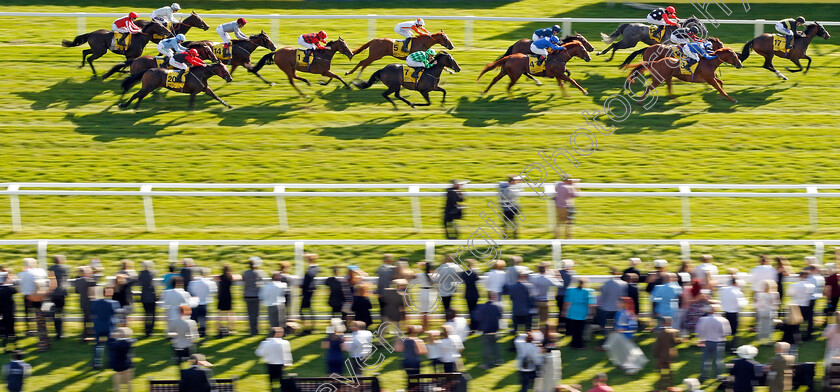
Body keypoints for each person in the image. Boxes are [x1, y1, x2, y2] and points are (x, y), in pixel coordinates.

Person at [603, 297, 647, 374]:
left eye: (620, 302)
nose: (618, 304)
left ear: (625, 304)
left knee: (629, 353)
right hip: (619, 336)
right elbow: (616, 324)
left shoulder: (629, 314)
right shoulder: (619, 313)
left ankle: (633, 367)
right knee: (621, 351)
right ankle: (623, 364)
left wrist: (623, 331)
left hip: (626, 336)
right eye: (618, 302)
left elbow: (633, 326)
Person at [696, 304, 731, 382]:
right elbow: (726, 332)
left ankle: (704, 376)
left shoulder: (703, 319)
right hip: (719, 341)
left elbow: (699, 331)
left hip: (706, 341)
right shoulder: (723, 320)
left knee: (705, 360)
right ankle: (718, 376)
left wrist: (701, 339)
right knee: (718, 360)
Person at [596, 267, 628, 346]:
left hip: (606, 308)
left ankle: (606, 340)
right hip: (618, 308)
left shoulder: (606, 284)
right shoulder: (624, 284)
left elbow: (602, 297)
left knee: (606, 326)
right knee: (617, 325)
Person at [91, 286, 121, 369]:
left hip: (98, 326)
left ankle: (97, 363)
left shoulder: (95, 302)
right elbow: (115, 314)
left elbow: (93, 312)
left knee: (98, 346)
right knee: (111, 346)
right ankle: (111, 363)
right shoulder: (114, 303)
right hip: (110, 326)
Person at [256, 327, 293, 392]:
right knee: (282, 380)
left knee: (271, 381)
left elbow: (259, 353)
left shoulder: (265, 343)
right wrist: (288, 362)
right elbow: (287, 353)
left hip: (270, 364)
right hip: (281, 364)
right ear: (276, 334)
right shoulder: (285, 342)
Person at [18, 258, 47, 338]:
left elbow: (20, 285)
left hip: (27, 295)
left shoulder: (22, 273)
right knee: (38, 312)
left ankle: (29, 330)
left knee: (27, 313)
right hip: (36, 295)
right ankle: (39, 329)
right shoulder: (39, 272)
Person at [564, 277, 596, 349]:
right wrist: (594, 313)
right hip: (582, 313)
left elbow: (566, 302)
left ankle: (573, 343)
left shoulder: (570, 290)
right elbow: (591, 304)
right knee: (580, 330)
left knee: (574, 329)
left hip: (572, 312)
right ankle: (578, 345)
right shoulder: (589, 291)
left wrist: (564, 311)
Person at [530, 263, 563, 329]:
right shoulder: (548, 278)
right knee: (544, 320)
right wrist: (557, 275)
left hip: (535, 300)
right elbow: (560, 284)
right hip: (545, 300)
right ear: (545, 270)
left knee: (534, 318)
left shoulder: (533, 278)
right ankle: (543, 332)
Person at [652, 316, 680, 392]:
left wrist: (655, 354)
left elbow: (657, 346)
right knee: (669, 372)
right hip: (669, 355)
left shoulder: (659, 333)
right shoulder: (673, 332)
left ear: (662, 323)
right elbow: (674, 342)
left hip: (660, 356)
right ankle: (670, 387)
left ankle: (660, 388)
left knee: (660, 373)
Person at [719, 278, 748, 351]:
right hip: (734, 313)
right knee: (734, 332)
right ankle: (732, 347)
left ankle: (723, 345)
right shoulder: (738, 292)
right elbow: (741, 304)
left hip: (725, 312)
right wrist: (746, 300)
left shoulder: (723, 290)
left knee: (725, 330)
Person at [187, 268, 217, 338]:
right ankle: (203, 332)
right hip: (204, 302)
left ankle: (193, 333)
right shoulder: (209, 283)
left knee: (194, 319)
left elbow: (190, 291)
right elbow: (213, 291)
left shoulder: (193, 283)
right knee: (203, 319)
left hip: (195, 303)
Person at [48, 255, 71, 340]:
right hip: (62, 293)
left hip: (53, 293)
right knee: (60, 313)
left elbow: (50, 279)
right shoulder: (66, 268)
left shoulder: (51, 268)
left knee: (54, 313)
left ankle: (57, 331)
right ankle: (60, 332)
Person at [788, 270, 816, 341]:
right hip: (806, 305)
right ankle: (808, 335)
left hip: (797, 304)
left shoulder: (794, 285)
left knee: (796, 323)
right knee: (807, 320)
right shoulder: (811, 286)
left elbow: (790, 293)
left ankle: (795, 337)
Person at [243, 257, 267, 336]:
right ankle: (255, 330)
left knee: (250, 314)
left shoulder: (245, 273)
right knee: (256, 314)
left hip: (247, 295)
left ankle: (251, 330)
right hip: (256, 295)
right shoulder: (260, 272)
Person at [108, 327, 135, 392]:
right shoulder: (128, 342)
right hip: (127, 365)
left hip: (118, 366)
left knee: (117, 385)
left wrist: (112, 338)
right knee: (128, 382)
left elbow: (111, 346)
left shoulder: (116, 345)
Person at [509, 270, 536, 335]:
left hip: (516, 311)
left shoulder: (513, 287)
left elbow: (511, 298)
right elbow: (532, 299)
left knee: (515, 330)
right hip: (526, 311)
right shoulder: (529, 286)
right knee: (528, 330)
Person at [74, 266, 96, 341]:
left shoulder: (78, 280)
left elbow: (77, 291)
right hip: (90, 302)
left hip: (83, 302)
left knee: (85, 320)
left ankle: (85, 335)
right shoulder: (86, 280)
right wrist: (96, 273)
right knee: (92, 319)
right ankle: (89, 334)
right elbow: (95, 282)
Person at [804, 262, 825, 340]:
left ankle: (809, 334)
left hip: (809, 298)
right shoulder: (820, 277)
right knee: (810, 316)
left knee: (808, 317)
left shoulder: (811, 278)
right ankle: (811, 330)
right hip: (815, 298)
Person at [755, 280, 780, 344]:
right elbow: (776, 304)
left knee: (761, 325)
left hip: (761, 311)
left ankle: (760, 339)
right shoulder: (775, 294)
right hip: (770, 311)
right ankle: (769, 340)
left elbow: (756, 303)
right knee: (770, 327)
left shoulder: (758, 293)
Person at [300, 254, 319, 334]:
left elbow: (309, 277)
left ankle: (307, 328)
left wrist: (302, 285)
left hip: (308, 292)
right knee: (306, 310)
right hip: (308, 291)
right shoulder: (313, 268)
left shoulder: (312, 269)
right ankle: (309, 327)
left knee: (303, 311)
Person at [138, 260, 158, 337]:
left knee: (146, 314)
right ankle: (151, 330)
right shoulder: (153, 273)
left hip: (144, 296)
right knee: (152, 314)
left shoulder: (141, 274)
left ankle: (146, 330)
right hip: (152, 296)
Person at [460, 259, 481, 331]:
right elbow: (477, 279)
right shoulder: (474, 273)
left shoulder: (463, 273)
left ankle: (472, 325)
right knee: (475, 310)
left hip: (468, 294)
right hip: (474, 293)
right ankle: (475, 325)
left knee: (470, 310)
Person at [555, 259, 575, 332]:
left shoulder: (558, 272)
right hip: (567, 295)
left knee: (560, 311)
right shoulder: (571, 274)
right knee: (567, 312)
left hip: (559, 295)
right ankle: (567, 328)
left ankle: (559, 327)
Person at [0, 273, 17, 352]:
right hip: (10, 311)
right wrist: (10, 280)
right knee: (11, 327)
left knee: (5, 327)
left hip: (2, 311)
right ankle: (14, 344)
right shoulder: (9, 288)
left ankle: (5, 345)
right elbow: (15, 290)